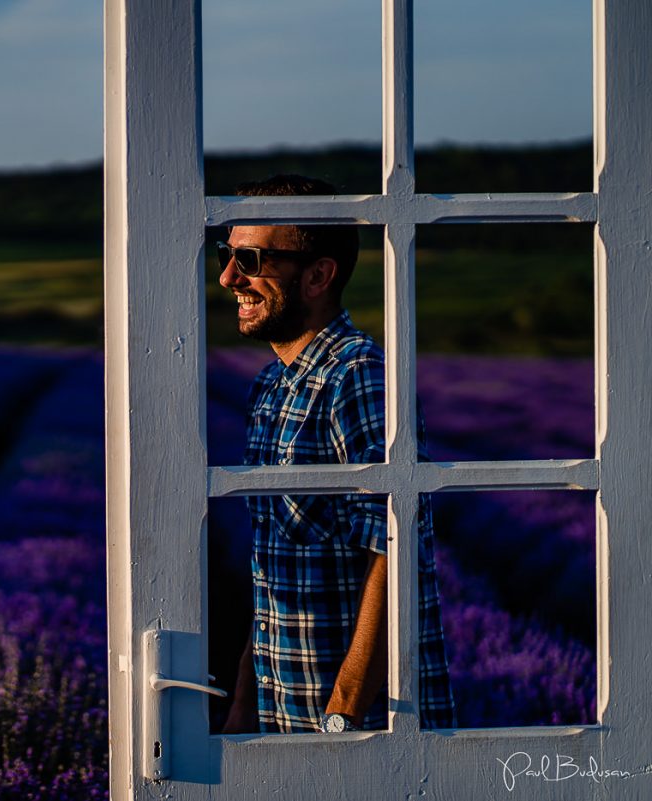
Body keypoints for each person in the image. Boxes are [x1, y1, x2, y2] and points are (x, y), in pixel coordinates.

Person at [217, 174, 455, 734]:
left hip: (362, 736)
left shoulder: (358, 377)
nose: (229, 277)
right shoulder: (271, 387)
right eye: (226, 255)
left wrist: (343, 716)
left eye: (250, 259)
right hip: (283, 721)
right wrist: (243, 708)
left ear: (318, 275)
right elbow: (272, 568)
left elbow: (396, 556)